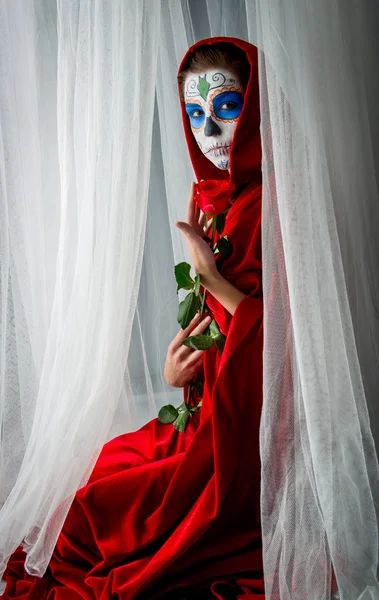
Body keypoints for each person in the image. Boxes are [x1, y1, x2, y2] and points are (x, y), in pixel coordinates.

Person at [1, 36, 265, 599]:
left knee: (109, 518)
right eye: (195, 113)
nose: (209, 132)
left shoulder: (276, 204)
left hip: (248, 426)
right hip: (207, 403)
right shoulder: (219, 197)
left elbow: (289, 340)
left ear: (258, 104)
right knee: (95, 480)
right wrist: (178, 370)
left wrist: (210, 272)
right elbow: (217, 320)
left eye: (226, 106)